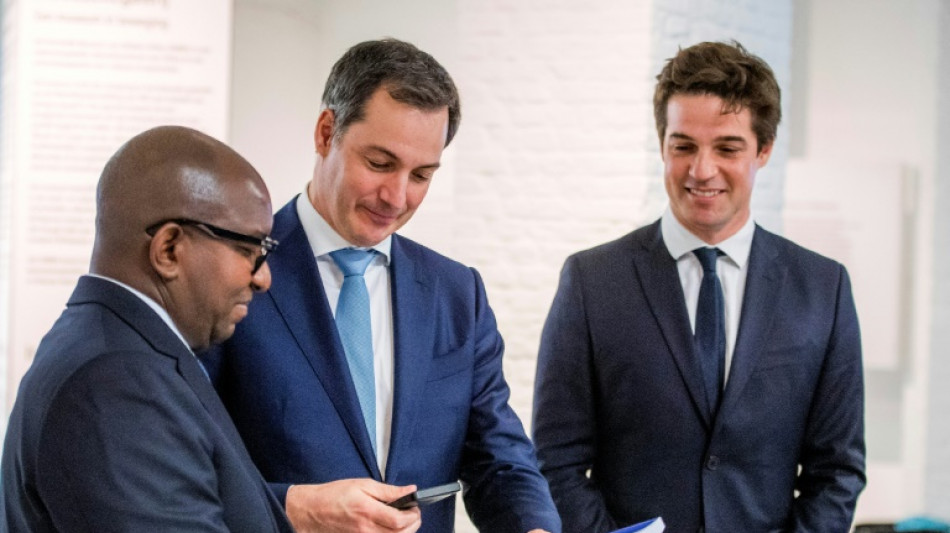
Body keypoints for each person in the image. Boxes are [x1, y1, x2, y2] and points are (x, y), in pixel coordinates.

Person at [202, 38, 560, 533]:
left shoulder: (457, 293)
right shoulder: (228, 275)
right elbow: (184, 468)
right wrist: (296, 508)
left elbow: (498, 459)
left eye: (422, 175)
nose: (397, 197)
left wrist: (533, 526)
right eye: (379, 164)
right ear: (326, 133)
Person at [532, 41, 866, 532]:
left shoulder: (822, 288)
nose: (701, 170)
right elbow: (554, 460)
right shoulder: (592, 281)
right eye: (683, 146)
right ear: (662, 145)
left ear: (764, 150)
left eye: (727, 148)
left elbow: (837, 471)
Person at [0, 125, 296, 532]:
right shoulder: (116, 382)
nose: (263, 278)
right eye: (249, 250)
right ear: (169, 249)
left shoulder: (115, 352)